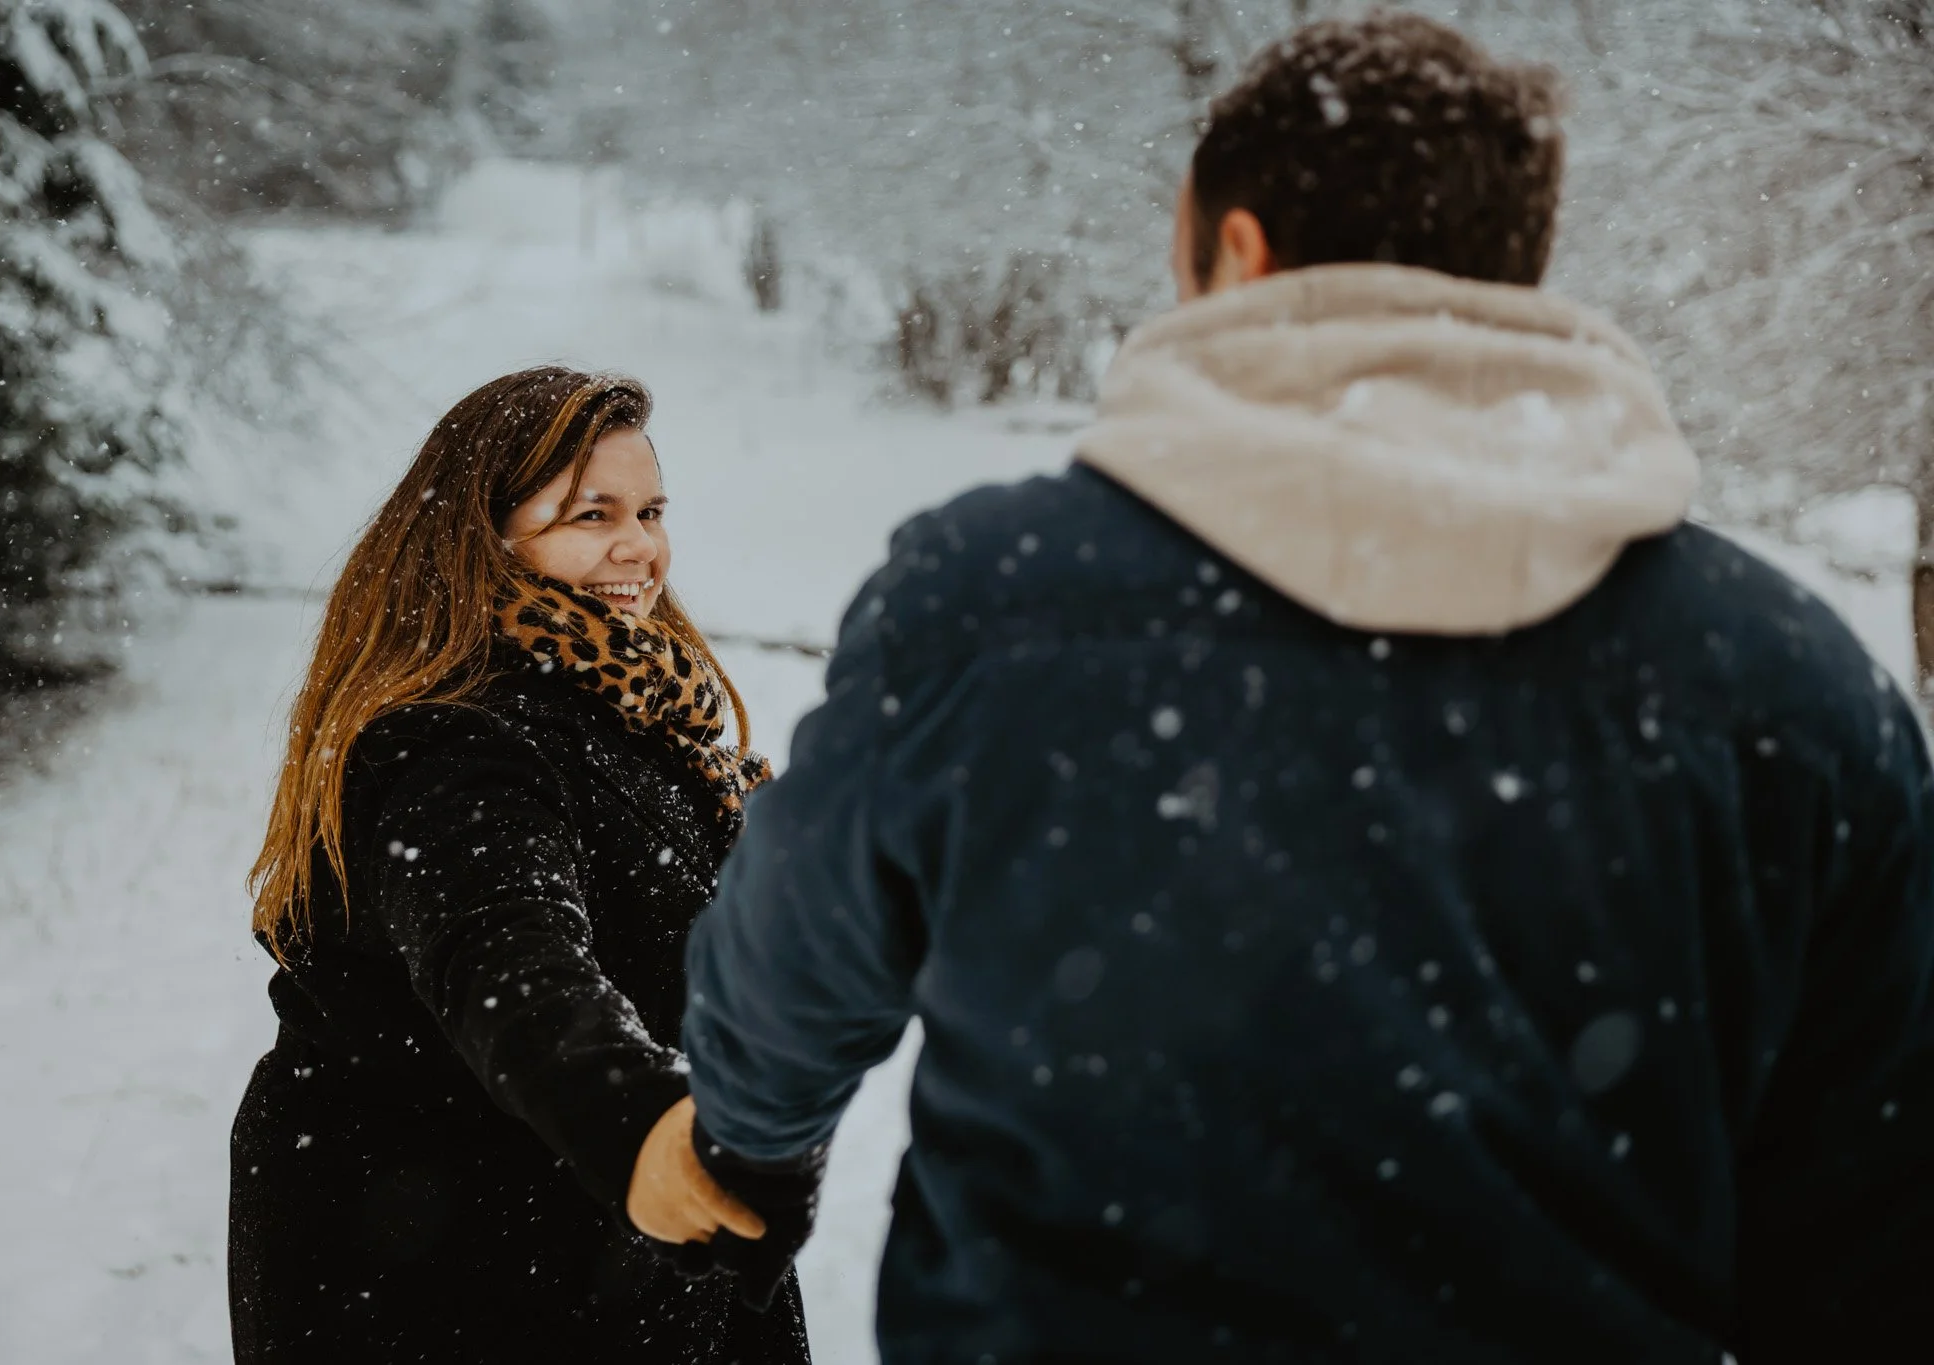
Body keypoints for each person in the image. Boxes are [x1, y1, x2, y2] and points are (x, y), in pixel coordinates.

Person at [627, 13, 1934, 1365]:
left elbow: (796, 953)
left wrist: (742, 1144)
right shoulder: (1784, 677)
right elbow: (1877, 1213)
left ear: (1238, 251)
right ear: (1517, 264)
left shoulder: (985, 599)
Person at [229, 367, 809, 1363]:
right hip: (448, 1260)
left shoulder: (630, 708)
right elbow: (508, 961)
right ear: (483, 537)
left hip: (581, 1239)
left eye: (651, 510)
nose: (641, 545)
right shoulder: (453, 746)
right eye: (593, 515)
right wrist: (638, 1125)